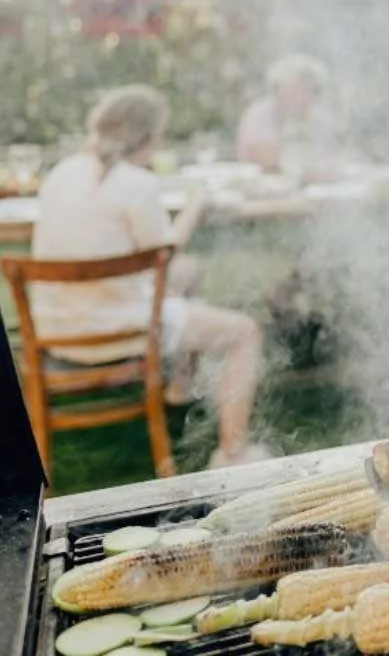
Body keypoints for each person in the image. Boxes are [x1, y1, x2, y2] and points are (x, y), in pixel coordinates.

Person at [31, 85, 269, 470]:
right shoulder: (137, 184)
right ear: (147, 137)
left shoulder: (61, 173)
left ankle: (179, 387)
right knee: (245, 332)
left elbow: (157, 264)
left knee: (189, 273)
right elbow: (163, 253)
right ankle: (232, 453)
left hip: (55, 331)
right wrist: (195, 204)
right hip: (120, 332)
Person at [236, 53, 337, 180]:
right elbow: (261, 156)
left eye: (309, 89)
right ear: (277, 89)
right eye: (295, 89)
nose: (302, 96)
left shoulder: (320, 118)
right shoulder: (259, 114)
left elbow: (331, 156)